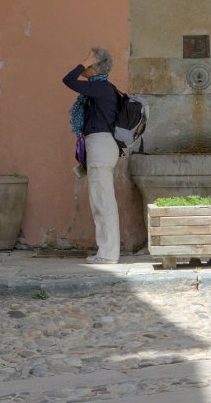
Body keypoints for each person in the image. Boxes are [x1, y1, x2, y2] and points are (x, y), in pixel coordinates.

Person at [63, 47, 120, 264]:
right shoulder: (101, 89)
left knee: (103, 203)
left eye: (88, 65)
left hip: (101, 146)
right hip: (100, 146)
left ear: (95, 67)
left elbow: (68, 80)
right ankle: (106, 252)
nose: (84, 68)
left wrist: (83, 61)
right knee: (101, 202)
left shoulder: (100, 87)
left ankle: (108, 254)